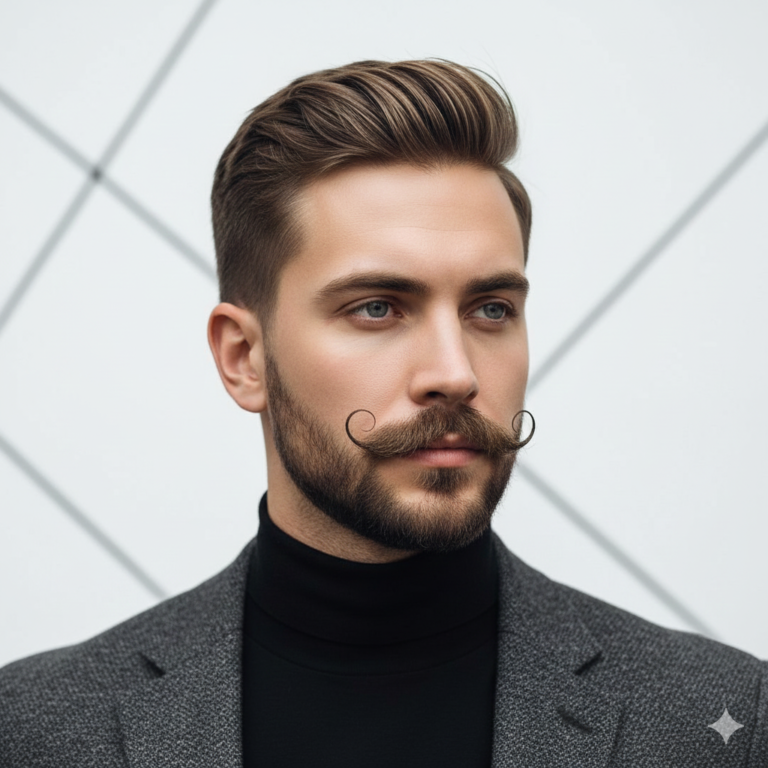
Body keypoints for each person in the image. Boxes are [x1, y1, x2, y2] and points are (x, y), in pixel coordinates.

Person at [0, 59, 765, 768]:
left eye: (491, 308)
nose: (456, 374)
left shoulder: (724, 723)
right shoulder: (34, 728)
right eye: (376, 308)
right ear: (243, 357)